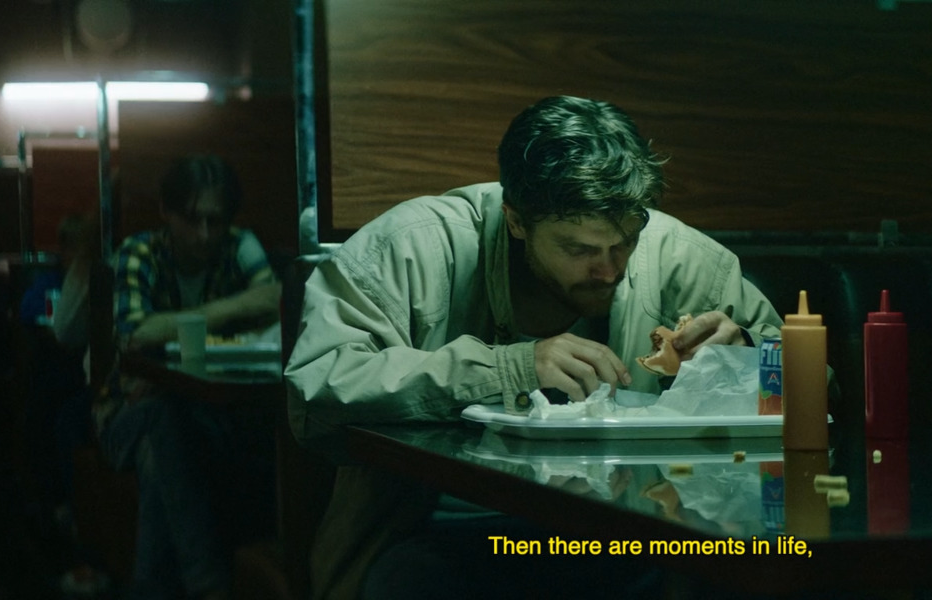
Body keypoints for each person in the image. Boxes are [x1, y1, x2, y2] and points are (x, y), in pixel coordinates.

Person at [285, 96, 786, 599]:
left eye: (624, 242)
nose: (609, 270)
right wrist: (511, 369)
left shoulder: (684, 260)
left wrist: (742, 358)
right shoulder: (412, 248)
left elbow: (809, 386)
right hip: (437, 533)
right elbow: (318, 387)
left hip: (633, 537)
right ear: (517, 221)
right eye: (579, 250)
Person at [103, 154, 281, 600]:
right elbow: (134, 335)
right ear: (166, 212)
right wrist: (230, 311)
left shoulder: (239, 244)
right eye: (191, 219)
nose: (204, 235)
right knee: (162, 420)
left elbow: (276, 299)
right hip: (123, 415)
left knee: (163, 449)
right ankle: (211, 589)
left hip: (208, 417)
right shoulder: (139, 252)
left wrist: (182, 324)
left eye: (215, 222)